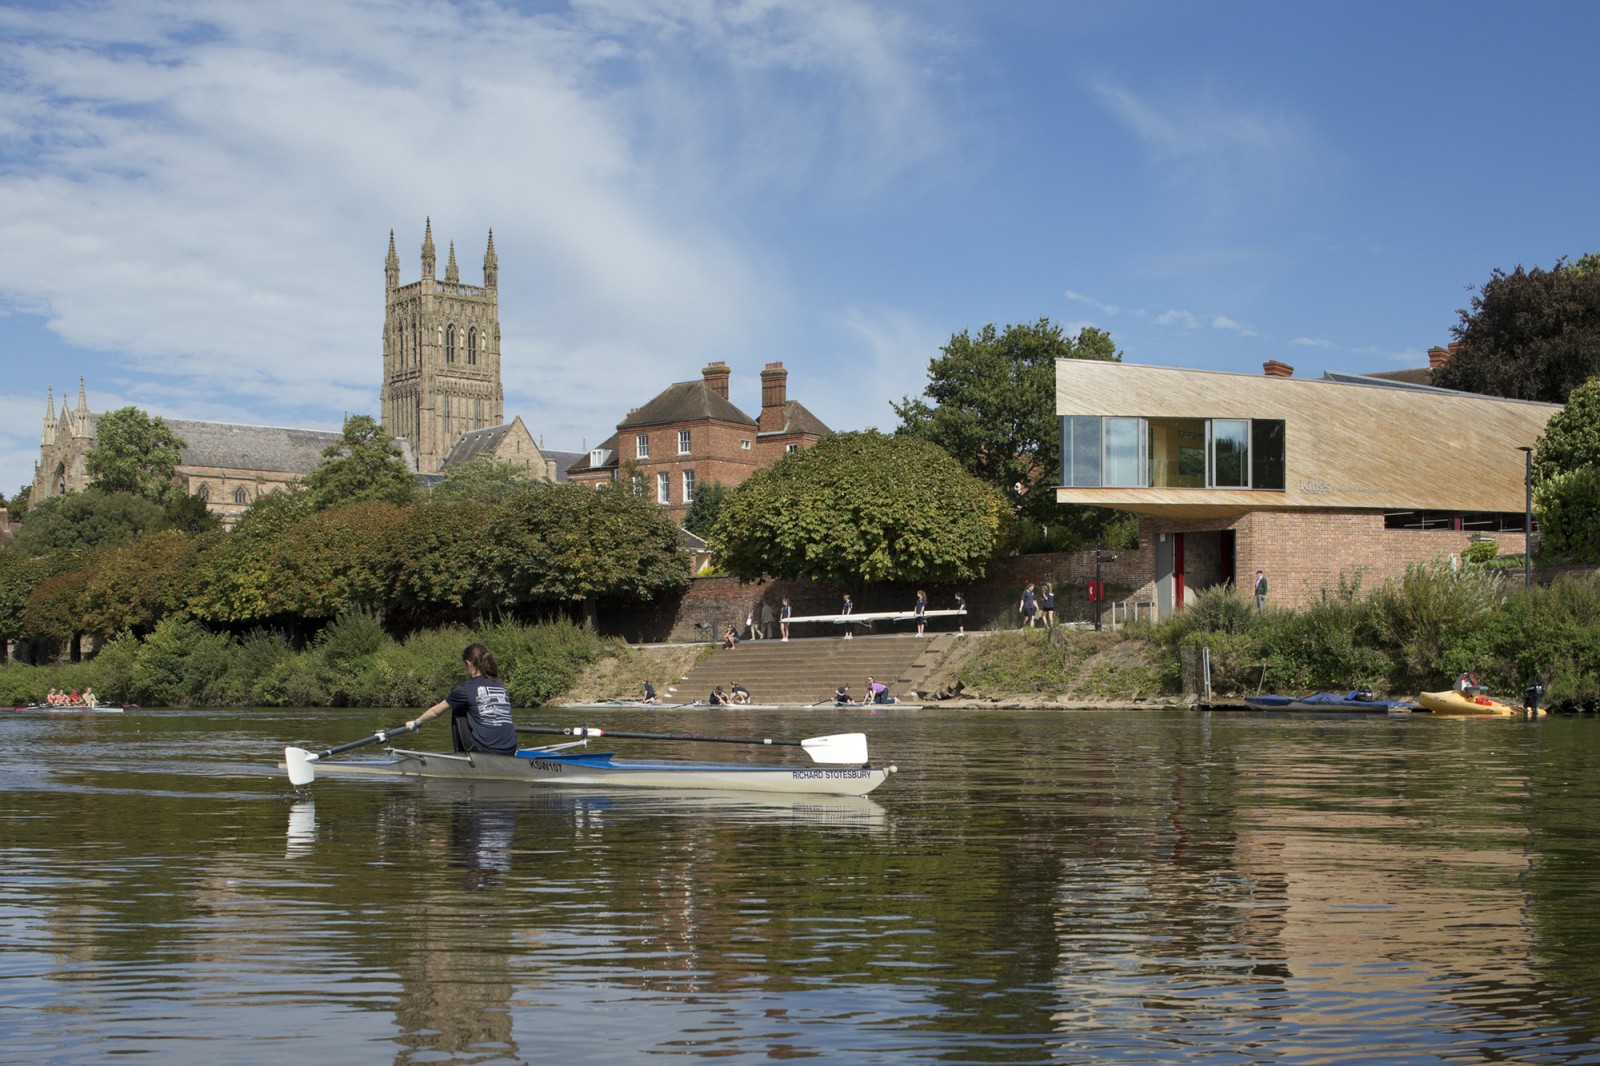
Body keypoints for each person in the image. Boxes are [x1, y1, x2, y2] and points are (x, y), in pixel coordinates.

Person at [407, 643, 518, 756]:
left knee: (457, 707)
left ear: (468, 663)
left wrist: (416, 722)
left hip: (485, 750)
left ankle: (461, 758)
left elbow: (435, 712)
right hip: (510, 749)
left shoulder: (466, 689)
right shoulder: (500, 685)